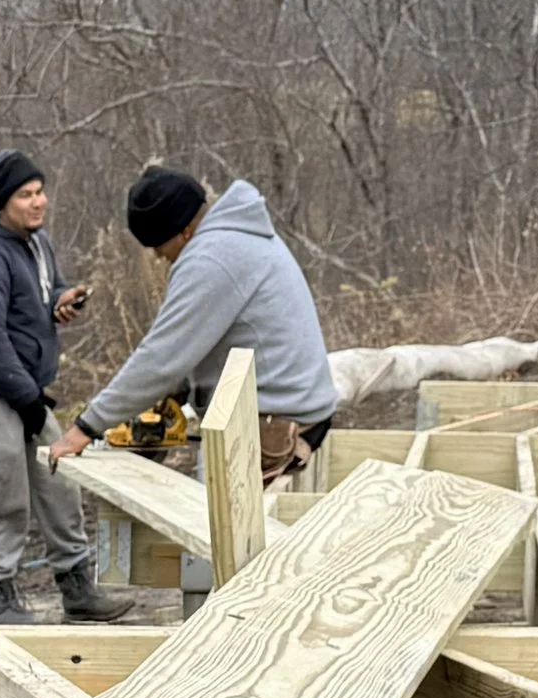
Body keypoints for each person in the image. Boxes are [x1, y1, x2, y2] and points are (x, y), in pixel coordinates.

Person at [51, 167, 336, 485]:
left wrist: (87, 426)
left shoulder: (211, 258)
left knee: (212, 527)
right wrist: (181, 389)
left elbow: (161, 358)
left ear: (184, 231)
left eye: (159, 245)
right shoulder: (240, 234)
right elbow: (210, 339)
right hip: (299, 409)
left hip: (276, 426)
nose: (158, 256)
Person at [0, 149, 133, 622]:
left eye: (40, 191)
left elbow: (38, 297)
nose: (38, 201)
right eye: (25, 194)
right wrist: (28, 400)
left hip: (26, 390)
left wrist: (60, 301)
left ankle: (77, 588)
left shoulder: (34, 243)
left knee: (61, 484)